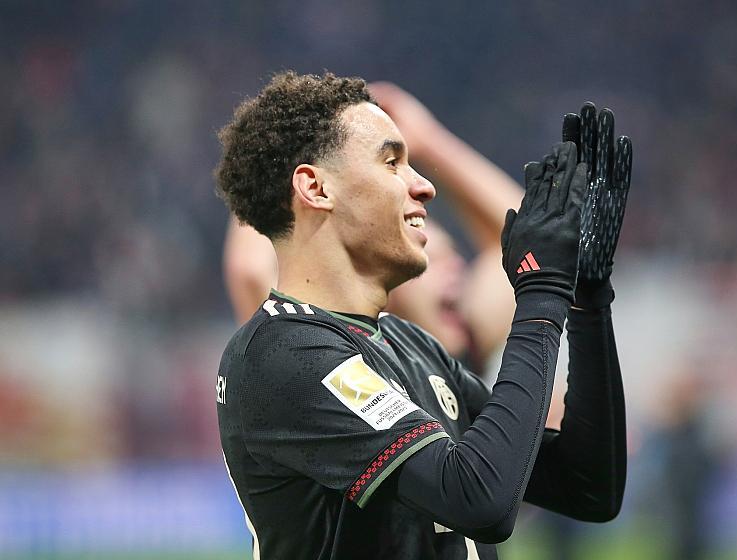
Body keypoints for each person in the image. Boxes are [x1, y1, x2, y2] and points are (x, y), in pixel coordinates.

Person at [214, 71, 630, 559]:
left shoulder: (411, 345)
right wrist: (540, 291)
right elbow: (479, 501)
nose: (424, 186)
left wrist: (587, 302)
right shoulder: (283, 353)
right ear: (315, 187)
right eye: (392, 162)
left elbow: (588, 487)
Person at [222, 82, 523, 375]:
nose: (455, 268)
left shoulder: (458, 356)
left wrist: (429, 141)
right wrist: (278, 158)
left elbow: (525, 240)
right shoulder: (312, 348)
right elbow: (251, 270)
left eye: (454, 256)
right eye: (434, 257)